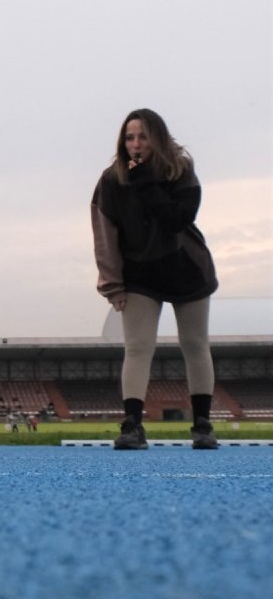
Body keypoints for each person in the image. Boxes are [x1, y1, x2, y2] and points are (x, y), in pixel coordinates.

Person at [91, 108, 219, 450]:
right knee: (137, 346)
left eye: (143, 137)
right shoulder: (112, 180)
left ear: (157, 139)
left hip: (186, 267)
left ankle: (203, 426)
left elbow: (178, 219)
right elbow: (105, 235)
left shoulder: (181, 170)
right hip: (140, 274)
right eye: (129, 137)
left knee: (195, 344)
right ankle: (132, 426)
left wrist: (146, 181)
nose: (135, 144)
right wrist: (112, 284)